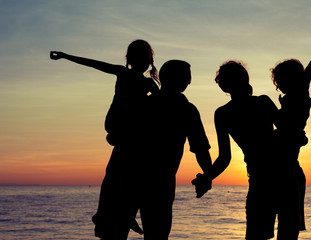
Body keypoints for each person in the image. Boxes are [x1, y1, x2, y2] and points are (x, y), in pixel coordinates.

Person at [50, 39, 159, 239]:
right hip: (119, 126)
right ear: (130, 60)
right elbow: (94, 64)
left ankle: (122, 214)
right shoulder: (123, 73)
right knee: (114, 176)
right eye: (137, 58)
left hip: (131, 134)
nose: (141, 61)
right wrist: (65, 56)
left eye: (145, 58)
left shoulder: (148, 83)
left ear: (149, 60)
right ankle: (110, 214)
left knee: (120, 174)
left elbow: (161, 107)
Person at [193, 60, 278, 240]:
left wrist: (207, 177)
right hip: (268, 177)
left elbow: (224, 158)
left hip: (271, 177)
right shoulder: (259, 103)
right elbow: (224, 158)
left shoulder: (225, 113)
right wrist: (207, 177)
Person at [138, 60, 212, 239]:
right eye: (187, 77)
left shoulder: (144, 104)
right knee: (158, 233)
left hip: (134, 175)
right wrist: (207, 177)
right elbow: (200, 148)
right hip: (161, 181)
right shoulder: (186, 109)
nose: (189, 81)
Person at [270, 42, 311, 240]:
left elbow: (307, 77)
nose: (277, 84)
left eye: (279, 80)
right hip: (288, 164)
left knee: (288, 226)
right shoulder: (293, 96)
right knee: (288, 224)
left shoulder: (298, 94)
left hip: (288, 167)